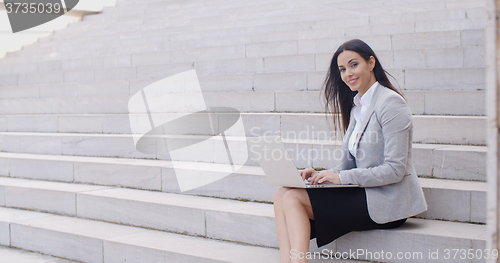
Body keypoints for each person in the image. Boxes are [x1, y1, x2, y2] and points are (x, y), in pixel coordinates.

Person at [273, 39, 428, 263]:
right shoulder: (358, 107)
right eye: (343, 69)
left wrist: (340, 177)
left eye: (354, 65)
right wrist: (320, 174)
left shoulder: (391, 104)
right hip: (364, 191)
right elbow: (349, 167)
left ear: (371, 62)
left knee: (293, 199)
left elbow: (395, 170)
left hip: (388, 201)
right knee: (281, 194)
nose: (347, 74)